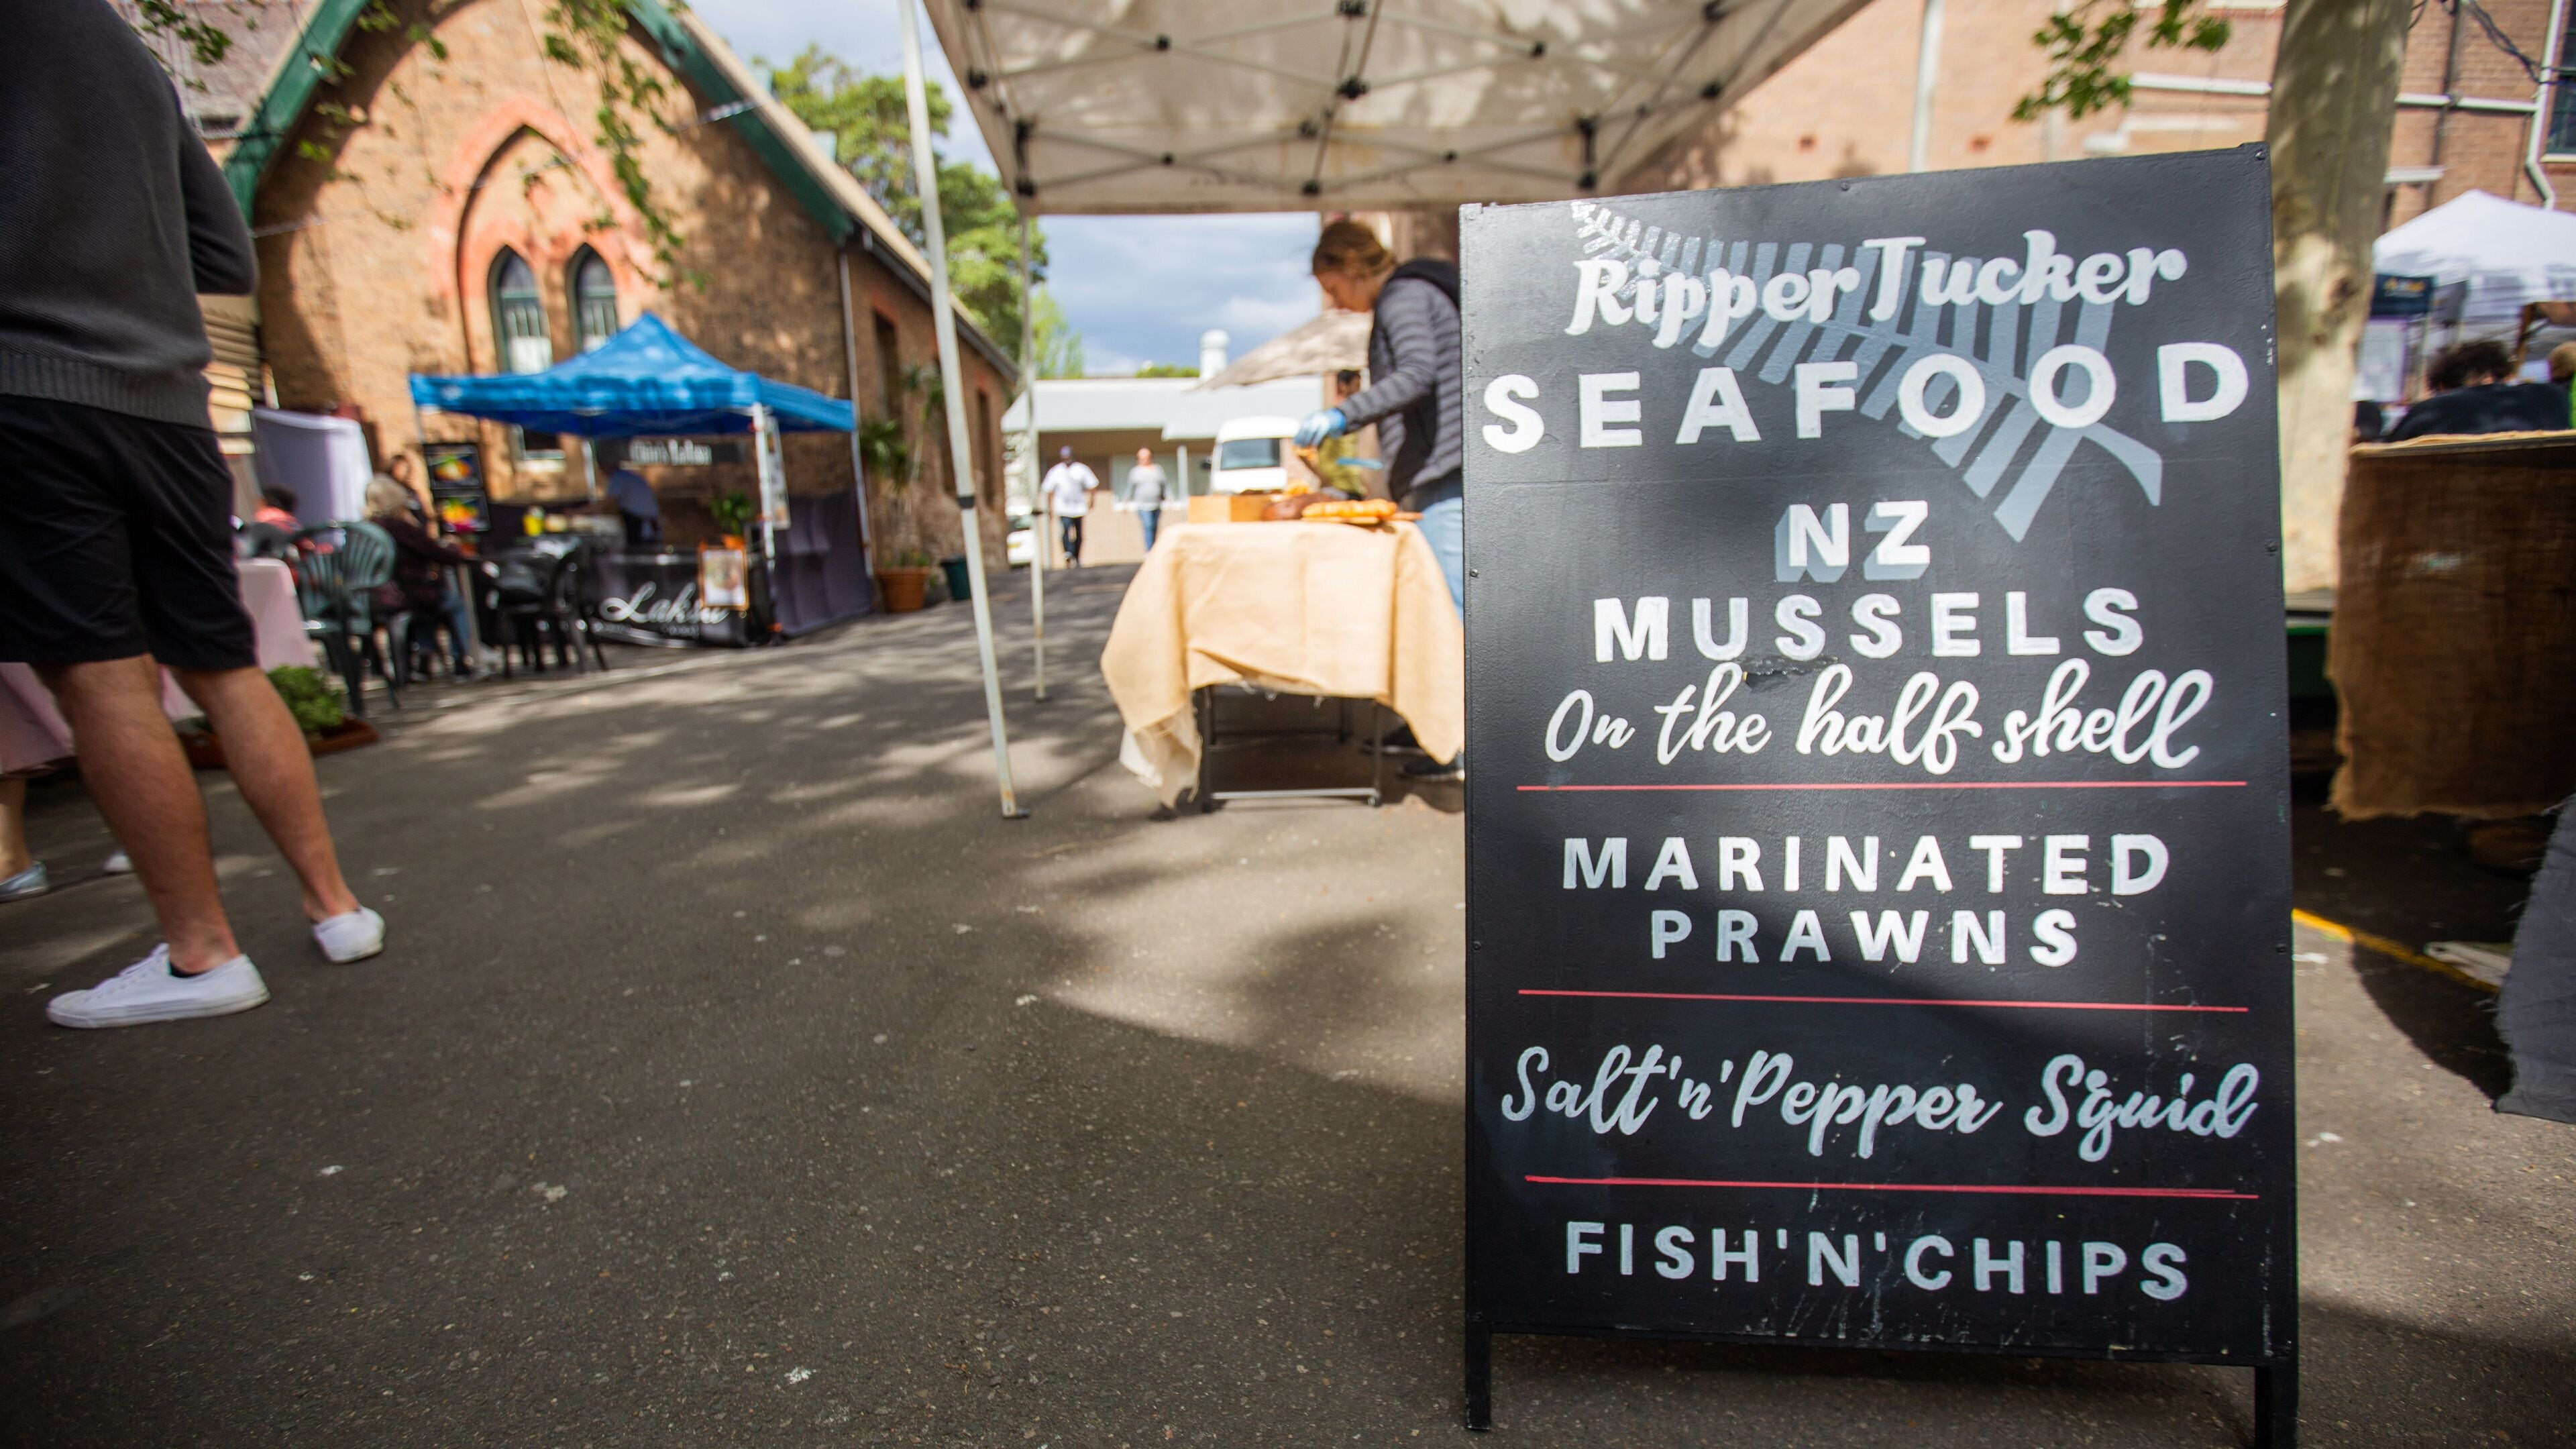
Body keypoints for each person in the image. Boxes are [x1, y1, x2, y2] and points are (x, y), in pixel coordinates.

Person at [1, 0, 382, 1027]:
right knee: (222, 658)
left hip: (30, 385)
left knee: (100, 675)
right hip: (169, 403)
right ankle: (334, 904)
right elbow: (226, 257)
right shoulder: (124, 51)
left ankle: (202, 951)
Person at [1296, 220, 1464, 780]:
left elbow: (1419, 373)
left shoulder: (1404, 296)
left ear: (1352, 265)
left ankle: (1460, 750)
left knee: (1450, 615)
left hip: (1447, 470)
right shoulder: (1410, 294)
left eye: (1335, 289)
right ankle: (1437, 734)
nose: (1337, 304)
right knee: (1445, 609)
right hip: (1437, 469)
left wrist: (1344, 413)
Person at [365, 477, 476, 679]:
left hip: (372, 599)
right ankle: (463, 659)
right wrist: (454, 549)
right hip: (408, 595)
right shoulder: (398, 527)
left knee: (429, 602)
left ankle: (424, 657)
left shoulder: (365, 528)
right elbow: (438, 554)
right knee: (455, 604)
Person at [2383, 339, 2571, 441]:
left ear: (2443, 387)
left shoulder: (2428, 412)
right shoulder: (2553, 397)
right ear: (2503, 375)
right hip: (2547, 508)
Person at [1041, 445, 1097, 567]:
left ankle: (1077, 556)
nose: (1067, 459)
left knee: (1079, 533)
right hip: (1063, 508)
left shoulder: (1081, 469)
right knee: (1066, 529)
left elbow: (1092, 485)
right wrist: (1050, 507)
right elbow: (1049, 490)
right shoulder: (1056, 471)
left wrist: (1091, 501)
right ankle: (1068, 553)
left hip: (1079, 507)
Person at [604, 463, 661, 547]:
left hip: (643, 530)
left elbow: (609, 501)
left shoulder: (619, 477)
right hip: (646, 529)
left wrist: (581, 511)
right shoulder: (629, 477)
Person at [1126, 447, 1167, 553]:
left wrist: (1168, 496)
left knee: (1154, 527)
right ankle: (1150, 551)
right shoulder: (1135, 472)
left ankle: (1154, 548)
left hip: (1156, 503)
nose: (1145, 460)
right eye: (1142, 458)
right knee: (1148, 526)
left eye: (1147, 457)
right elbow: (1130, 488)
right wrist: (1126, 500)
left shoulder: (1157, 469)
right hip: (1143, 505)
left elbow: (1164, 485)